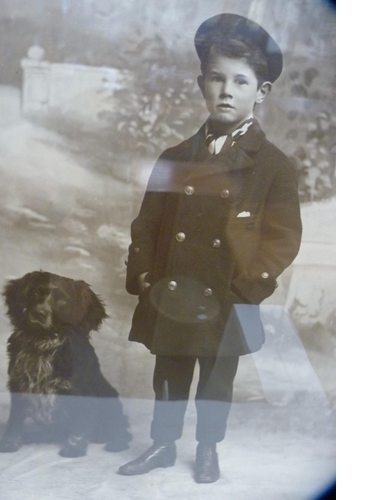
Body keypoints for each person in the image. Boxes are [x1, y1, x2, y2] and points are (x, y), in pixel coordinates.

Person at [118, 13, 302, 483]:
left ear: (260, 92)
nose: (226, 90)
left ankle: (207, 449)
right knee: (169, 375)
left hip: (227, 295)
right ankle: (162, 445)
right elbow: (148, 223)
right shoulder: (175, 157)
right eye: (216, 78)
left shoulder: (273, 167)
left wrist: (246, 287)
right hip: (174, 291)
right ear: (201, 83)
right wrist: (144, 276)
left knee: (217, 381)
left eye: (241, 81)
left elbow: (282, 238)